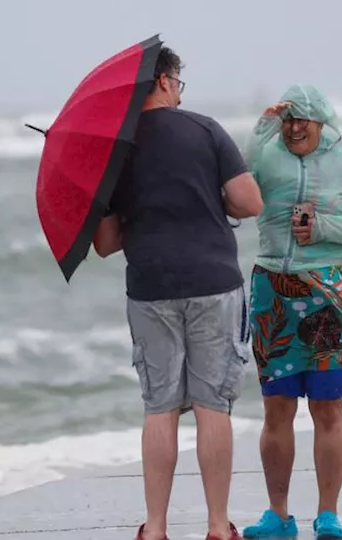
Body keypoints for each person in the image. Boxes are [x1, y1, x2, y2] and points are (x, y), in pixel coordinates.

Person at [93, 45, 264, 540]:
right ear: (165, 81)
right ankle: (216, 526)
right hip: (213, 281)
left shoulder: (115, 151)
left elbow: (105, 244)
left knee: (160, 407)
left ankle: (157, 528)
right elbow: (249, 202)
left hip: (150, 286)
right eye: (178, 83)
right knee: (213, 404)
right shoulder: (205, 130)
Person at [239, 85, 342, 540]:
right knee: (276, 407)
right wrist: (261, 128)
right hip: (273, 287)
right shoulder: (268, 154)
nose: (293, 129)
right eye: (288, 119)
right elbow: (239, 181)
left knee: (327, 407)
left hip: (329, 289)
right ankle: (277, 515)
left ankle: (328, 514)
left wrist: (326, 227)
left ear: (321, 124)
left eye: (302, 122)